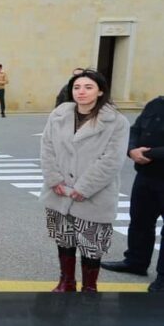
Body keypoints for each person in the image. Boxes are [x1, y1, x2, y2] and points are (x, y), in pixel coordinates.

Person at [40, 69, 129, 293]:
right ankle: (66, 281)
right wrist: (54, 179)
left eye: (88, 87)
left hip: (94, 195)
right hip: (59, 191)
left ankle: (89, 287)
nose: (81, 92)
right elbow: (47, 147)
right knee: (64, 238)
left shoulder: (116, 121)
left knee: (92, 244)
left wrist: (84, 188)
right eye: (77, 87)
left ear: (100, 91)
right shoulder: (60, 114)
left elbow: (111, 160)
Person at [101, 96, 164, 292]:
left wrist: (148, 154)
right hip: (146, 175)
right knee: (140, 220)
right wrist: (131, 150)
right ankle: (136, 261)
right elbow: (135, 130)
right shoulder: (156, 103)